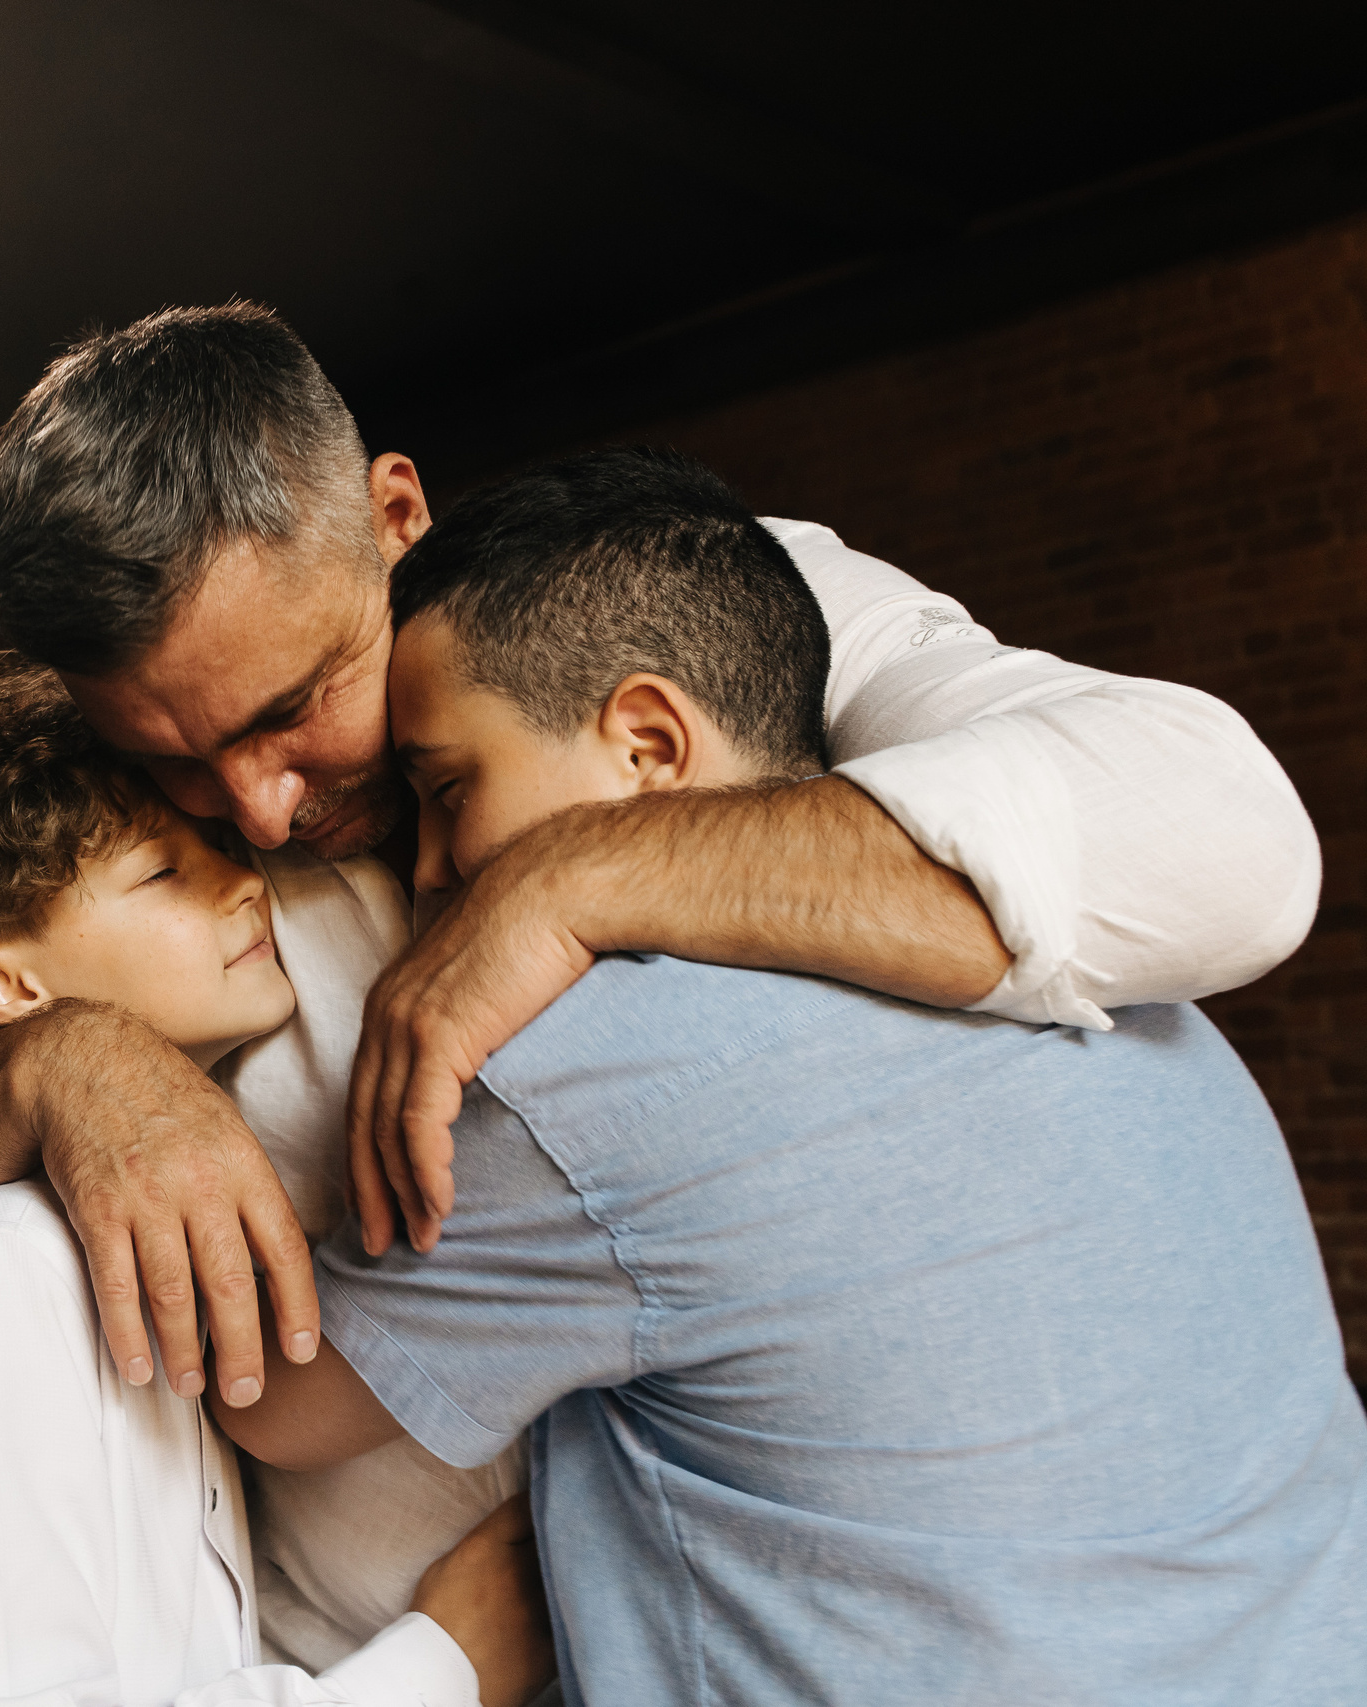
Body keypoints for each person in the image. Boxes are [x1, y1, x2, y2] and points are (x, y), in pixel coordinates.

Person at [0, 303, 1322, 1661]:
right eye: (171, 755)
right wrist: (64, 1068)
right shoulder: (158, 866)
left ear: (394, 514)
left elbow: (1235, 843)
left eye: (299, 703)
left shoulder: (696, 604)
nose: (258, 807)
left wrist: (575, 881)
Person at [217, 448, 1367, 1701]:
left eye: (446, 790)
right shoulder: (1121, 975)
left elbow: (275, 1398)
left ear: (650, 743)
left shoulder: (587, 1084)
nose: (430, 870)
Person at [0, 668, 549, 1706]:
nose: (241, 885)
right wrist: (450, 1660)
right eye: (159, 875)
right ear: (7, 987)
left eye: (218, 854)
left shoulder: (125, 1243)